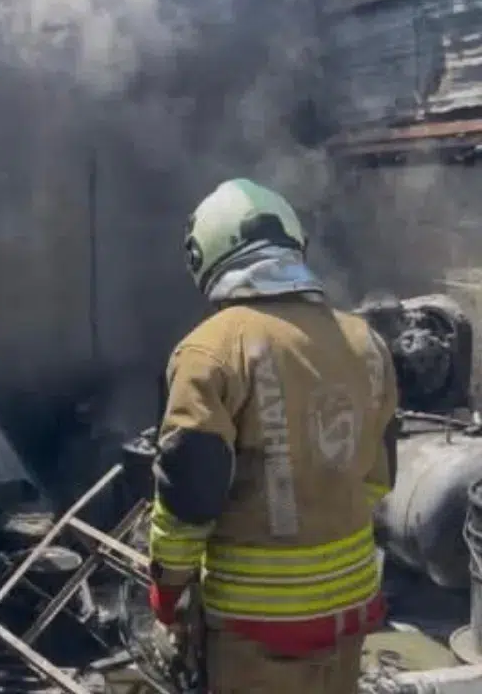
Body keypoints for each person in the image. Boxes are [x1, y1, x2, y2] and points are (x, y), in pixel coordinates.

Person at [147, 179, 398, 693]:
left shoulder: (210, 351)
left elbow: (190, 499)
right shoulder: (365, 340)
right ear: (295, 243)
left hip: (257, 631)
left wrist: (167, 592)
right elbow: (378, 477)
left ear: (205, 256)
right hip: (352, 610)